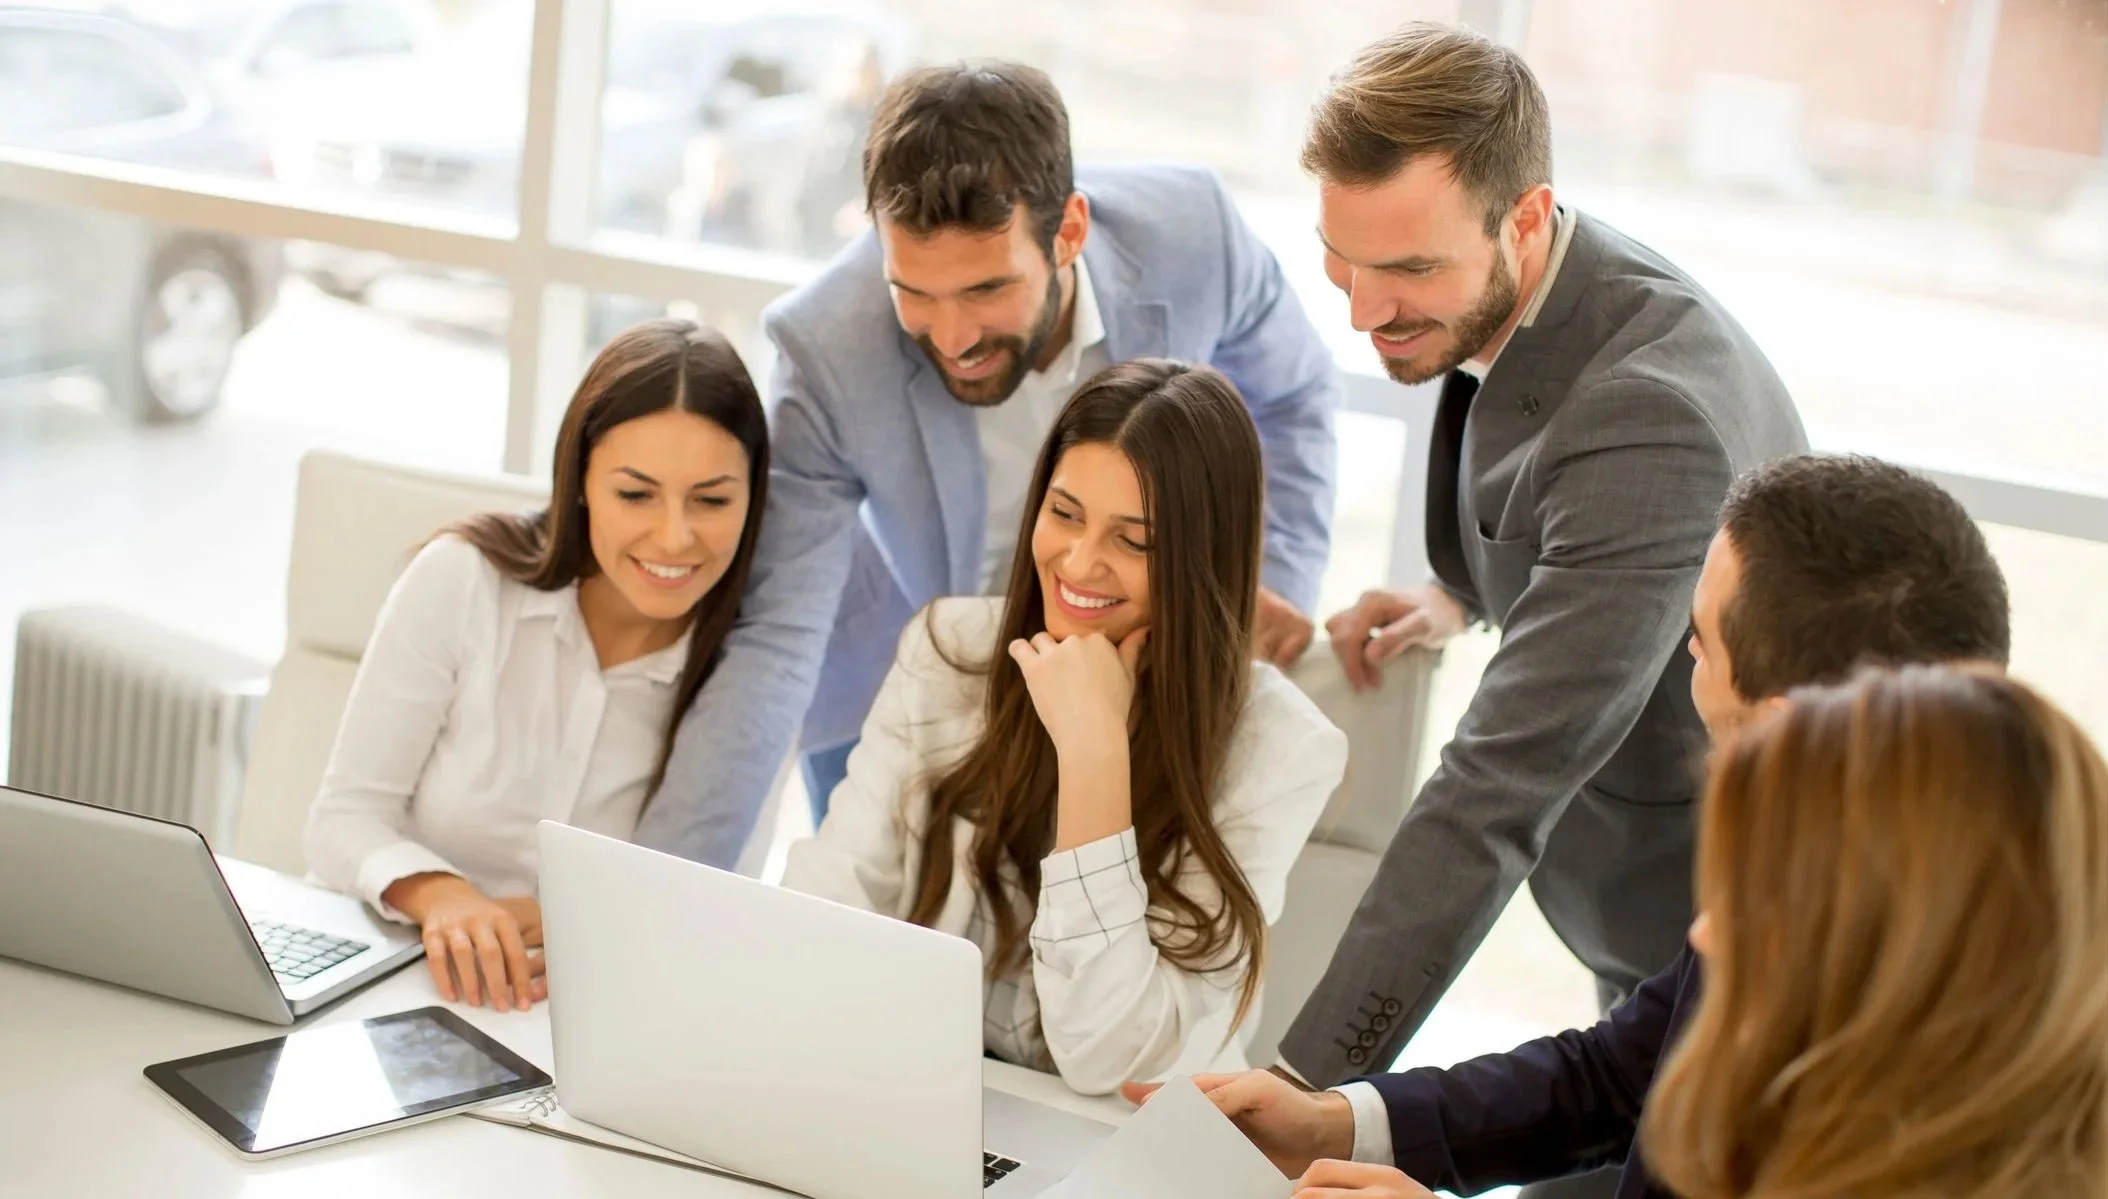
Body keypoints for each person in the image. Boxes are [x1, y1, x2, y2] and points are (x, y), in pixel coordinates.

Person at [1128, 454, 2016, 1198]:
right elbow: (1619, 1075)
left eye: (1700, 639)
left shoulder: (1964, 1024)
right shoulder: (1833, 840)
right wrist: (1342, 1122)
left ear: (1785, 722)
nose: (1682, 650)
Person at [1278, 22, 1810, 1113]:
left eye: (1408, 269)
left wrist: (1301, 1081)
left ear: (1522, 214)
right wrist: (1459, 591)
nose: (1361, 309)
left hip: (1719, 936)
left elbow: (1492, 790)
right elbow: (1518, 435)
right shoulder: (1535, 277)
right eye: (1343, 259)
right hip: (1639, 926)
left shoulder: (1647, 421)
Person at [636, 60, 1341, 853]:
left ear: (1068, 231)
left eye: (984, 290)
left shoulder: (1193, 234)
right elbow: (776, 634)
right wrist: (656, 888)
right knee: (875, 943)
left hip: (1134, 668)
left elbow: (1294, 392)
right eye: (913, 292)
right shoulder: (827, 345)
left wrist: (1276, 571)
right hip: (898, 672)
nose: (952, 336)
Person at [781, 359, 1347, 1096]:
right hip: (924, 1097)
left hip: (1122, 1143)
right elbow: (828, 900)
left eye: (1134, 541)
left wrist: (1093, 753)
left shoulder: (1281, 748)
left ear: (1202, 554)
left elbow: (1107, 1054)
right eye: (1065, 513)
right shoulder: (952, 650)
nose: (1079, 561)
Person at [304, 320, 769, 1012]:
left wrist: (586, 927)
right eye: (635, 494)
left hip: (584, 1011)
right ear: (579, 480)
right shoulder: (463, 580)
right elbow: (342, 820)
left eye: (711, 499)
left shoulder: (756, 671)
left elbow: (715, 904)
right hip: (388, 974)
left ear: (754, 494)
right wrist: (441, 893)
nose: (675, 536)